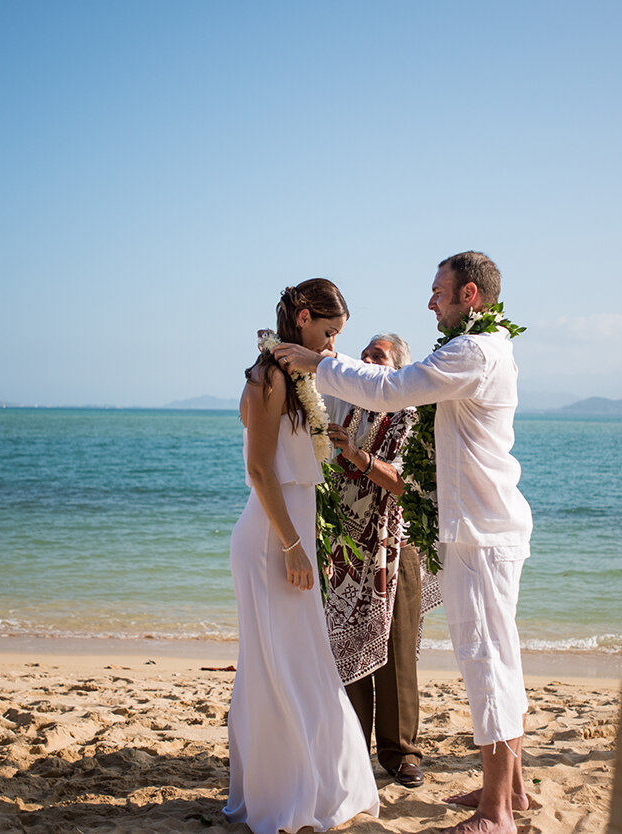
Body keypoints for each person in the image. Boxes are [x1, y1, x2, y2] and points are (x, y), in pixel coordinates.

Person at [274, 251, 532, 834]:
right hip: (484, 529)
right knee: (499, 660)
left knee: (487, 663)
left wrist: (320, 362)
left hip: (482, 534)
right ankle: (511, 790)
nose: (430, 302)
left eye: (438, 292)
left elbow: (392, 389)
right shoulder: (484, 349)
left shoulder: (474, 350)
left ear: (470, 295)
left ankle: (496, 814)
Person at [225, 279, 379, 834]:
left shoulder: (299, 377)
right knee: (278, 666)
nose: (334, 347)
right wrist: (292, 545)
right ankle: (284, 795)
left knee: (303, 660)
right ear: (305, 317)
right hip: (271, 537)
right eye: (330, 333)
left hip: (293, 531)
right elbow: (261, 469)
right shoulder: (267, 375)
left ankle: (312, 785)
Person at [322, 333, 441, 790]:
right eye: (365, 354)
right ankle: (354, 748)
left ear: (397, 371)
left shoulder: (412, 418)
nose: (368, 361)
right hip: (348, 551)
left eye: (379, 357)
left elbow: (405, 485)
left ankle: (401, 753)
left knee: (397, 654)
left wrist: (356, 454)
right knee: (346, 642)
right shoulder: (347, 409)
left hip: (397, 547)